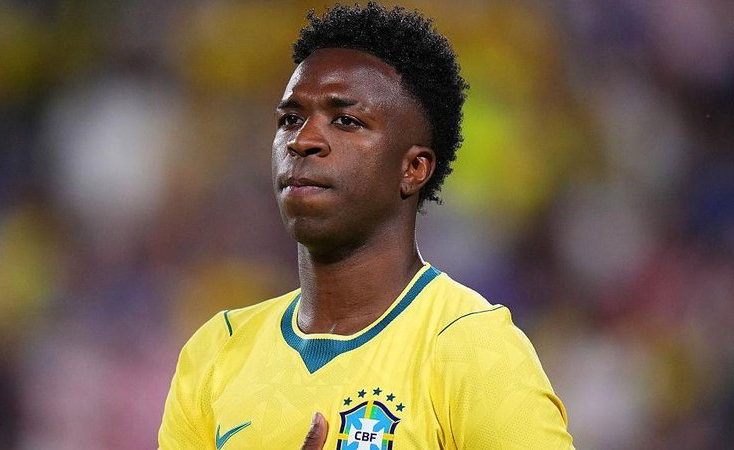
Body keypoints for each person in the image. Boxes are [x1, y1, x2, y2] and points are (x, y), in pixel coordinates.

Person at [159, 3, 573, 449]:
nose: (303, 140)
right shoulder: (218, 352)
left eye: (345, 120)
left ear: (413, 168)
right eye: (290, 119)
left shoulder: (473, 349)